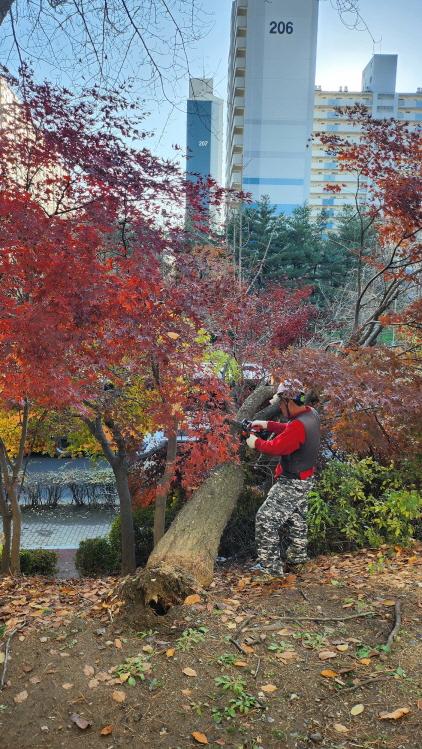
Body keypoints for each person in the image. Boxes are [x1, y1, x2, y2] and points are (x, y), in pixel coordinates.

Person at [246, 378, 320, 577]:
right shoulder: (311, 414)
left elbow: (278, 447)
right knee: (297, 519)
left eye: (281, 402)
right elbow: (290, 431)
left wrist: (255, 443)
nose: (279, 406)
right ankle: (297, 558)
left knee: (265, 520)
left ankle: (271, 570)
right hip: (306, 479)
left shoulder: (298, 425)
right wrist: (267, 425)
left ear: (289, 401)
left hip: (292, 482)